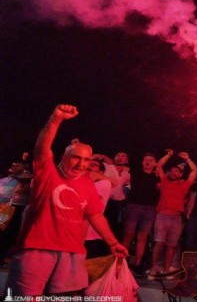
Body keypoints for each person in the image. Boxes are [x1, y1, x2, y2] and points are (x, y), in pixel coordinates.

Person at [4, 105, 128, 296]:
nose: (81, 164)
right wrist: (56, 119)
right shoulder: (48, 174)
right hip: (37, 249)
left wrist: (113, 243)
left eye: (86, 160)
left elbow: (95, 215)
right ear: (64, 157)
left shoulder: (87, 184)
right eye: (76, 158)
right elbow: (42, 147)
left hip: (73, 253)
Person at [149, 149, 197, 279]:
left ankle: (166, 270)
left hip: (176, 217)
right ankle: (154, 268)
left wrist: (188, 159)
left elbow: (194, 171)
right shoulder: (164, 182)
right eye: (171, 171)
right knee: (159, 243)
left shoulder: (184, 185)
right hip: (163, 216)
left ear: (181, 174)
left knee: (172, 245)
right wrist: (168, 155)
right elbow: (159, 166)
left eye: (176, 171)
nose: (173, 172)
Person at [121, 152, 160, 273]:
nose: (147, 161)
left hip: (150, 208)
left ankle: (137, 264)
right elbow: (118, 166)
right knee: (128, 235)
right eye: (145, 159)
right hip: (134, 206)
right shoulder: (135, 172)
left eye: (150, 159)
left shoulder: (157, 177)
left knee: (142, 237)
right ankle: (121, 262)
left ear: (155, 163)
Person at [93, 151, 131, 239]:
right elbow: (94, 161)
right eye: (118, 155)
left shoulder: (126, 174)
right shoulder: (106, 166)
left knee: (111, 225)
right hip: (102, 201)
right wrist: (100, 155)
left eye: (123, 156)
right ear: (114, 158)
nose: (120, 157)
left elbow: (128, 183)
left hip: (115, 204)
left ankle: (106, 247)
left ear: (126, 161)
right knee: (98, 224)